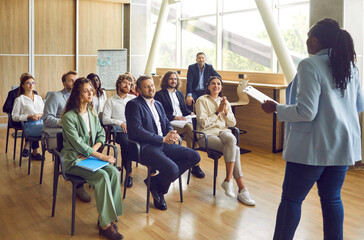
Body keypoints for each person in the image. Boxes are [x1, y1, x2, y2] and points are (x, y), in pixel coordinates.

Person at [261, 18, 364, 240]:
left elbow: (306, 111)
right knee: (332, 199)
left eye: (308, 38)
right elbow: (359, 105)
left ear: (315, 40)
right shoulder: (350, 66)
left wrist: (276, 108)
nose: (307, 42)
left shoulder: (310, 65)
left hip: (312, 149)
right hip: (342, 146)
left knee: (291, 200)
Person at [125, 75, 200, 211]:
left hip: (163, 144)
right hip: (145, 147)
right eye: (146, 86)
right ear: (139, 90)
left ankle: (155, 184)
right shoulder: (133, 105)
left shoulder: (158, 104)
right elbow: (136, 131)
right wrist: (162, 139)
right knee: (172, 169)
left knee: (194, 156)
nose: (151, 89)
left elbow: (166, 123)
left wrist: (172, 133)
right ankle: (158, 188)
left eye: (152, 85)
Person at [61, 78, 123, 240]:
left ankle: (108, 217)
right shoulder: (69, 117)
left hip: (88, 157)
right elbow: (78, 144)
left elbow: (101, 135)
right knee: (102, 176)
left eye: (91, 90)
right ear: (78, 94)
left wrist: (93, 150)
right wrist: (102, 156)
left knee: (113, 173)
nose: (91, 93)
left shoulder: (92, 113)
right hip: (74, 160)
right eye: (86, 91)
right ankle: (104, 225)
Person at [195, 76, 255, 206]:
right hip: (206, 134)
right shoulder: (201, 100)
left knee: (231, 138)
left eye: (218, 84)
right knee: (236, 149)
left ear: (221, 87)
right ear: (208, 86)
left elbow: (232, 123)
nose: (216, 86)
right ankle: (242, 188)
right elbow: (203, 123)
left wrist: (226, 112)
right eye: (213, 84)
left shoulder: (225, 101)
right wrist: (218, 112)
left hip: (223, 132)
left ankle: (228, 180)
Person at [43, 71, 91, 203]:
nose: (74, 83)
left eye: (76, 80)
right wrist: (66, 122)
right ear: (64, 83)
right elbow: (47, 119)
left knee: (93, 141)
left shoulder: (81, 98)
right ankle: (79, 185)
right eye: (71, 80)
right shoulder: (55, 97)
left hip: (76, 134)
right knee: (77, 148)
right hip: (59, 135)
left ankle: (92, 173)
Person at [154, 70, 205, 178]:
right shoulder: (160, 94)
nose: (173, 81)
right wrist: (175, 117)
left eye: (175, 79)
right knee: (189, 127)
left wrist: (189, 113)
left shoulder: (179, 93)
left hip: (183, 119)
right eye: (171, 79)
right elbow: (160, 114)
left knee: (192, 130)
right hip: (171, 122)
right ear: (166, 80)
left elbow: (183, 109)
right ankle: (200, 148)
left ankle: (194, 163)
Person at [103, 74, 136, 188]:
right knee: (126, 143)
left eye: (129, 84)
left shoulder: (133, 99)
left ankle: (152, 173)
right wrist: (120, 123)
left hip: (135, 129)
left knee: (151, 139)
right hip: (119, 131)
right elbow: (105, 119)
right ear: (118, 84)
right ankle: (129, 174)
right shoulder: (110, 101)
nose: (128, 85)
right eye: (125, 83)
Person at [11, 73, 44, 160]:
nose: (31, 85)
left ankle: (28, 147)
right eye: (28, 83)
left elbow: (45, 112)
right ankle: (35, 151)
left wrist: (40, 114)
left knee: (52, 127)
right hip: (29, 125)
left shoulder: (39, 98)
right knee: (51, 129)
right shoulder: (19, 99)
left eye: (33, 83)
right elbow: (14, 116)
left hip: (41, 122)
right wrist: (29, 116)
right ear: (22, 85)